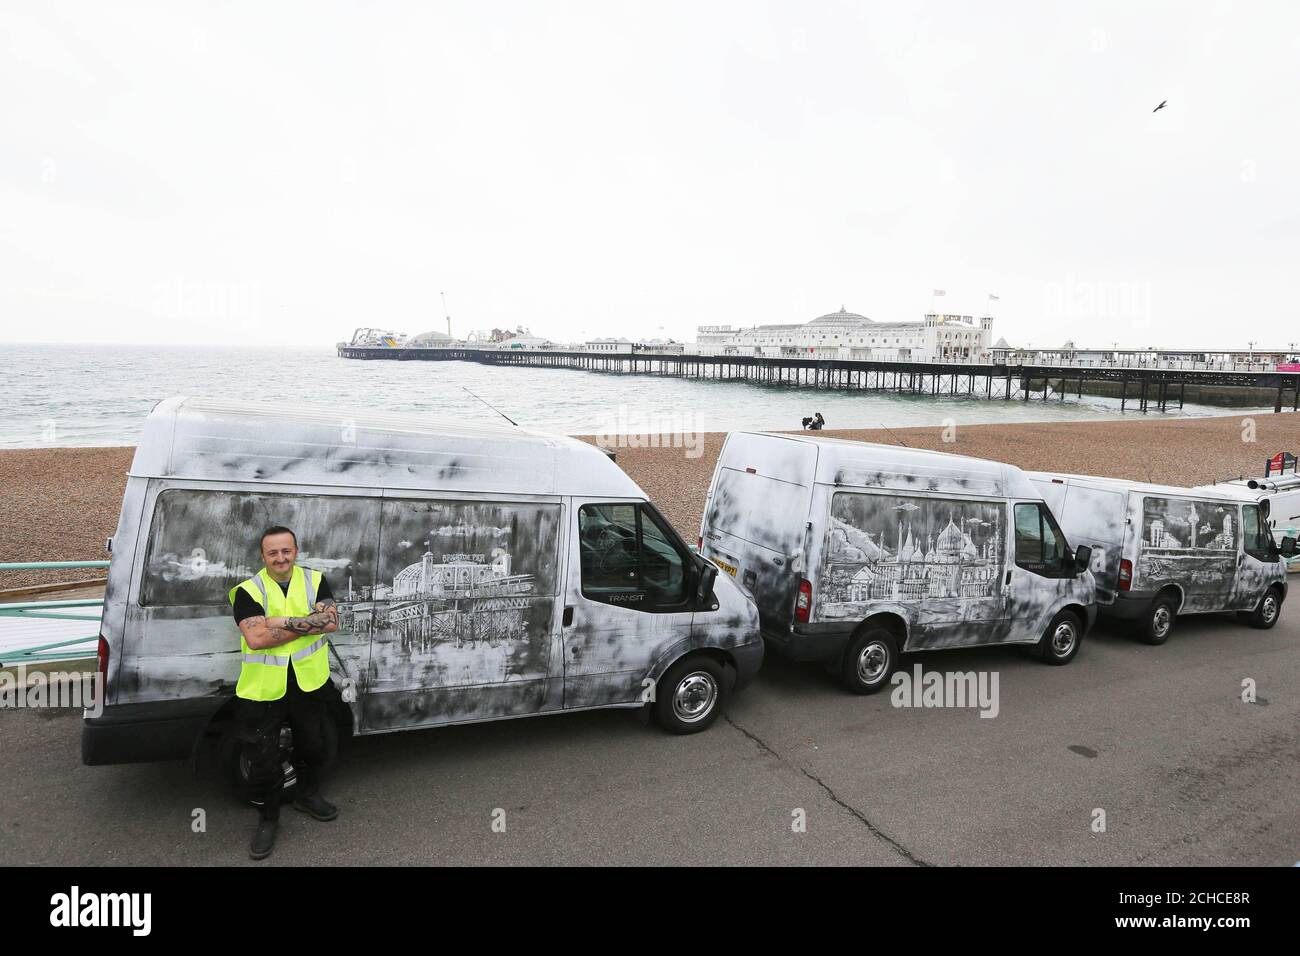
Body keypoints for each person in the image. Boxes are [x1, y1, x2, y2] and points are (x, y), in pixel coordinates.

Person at [228, 525, 340, 860]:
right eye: (273, 552)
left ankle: (307, 795)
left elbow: (332, 622)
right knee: (263, 759)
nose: (281, 558)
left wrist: (277, 621)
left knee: (313, 745)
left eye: (286, 551)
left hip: (310, 683)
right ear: (263, 556)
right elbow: (257, 639)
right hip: (264, 690)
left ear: (296, 550)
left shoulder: (315, 580)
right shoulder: (247, 590)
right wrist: (307, 622)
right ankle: (268, 818)